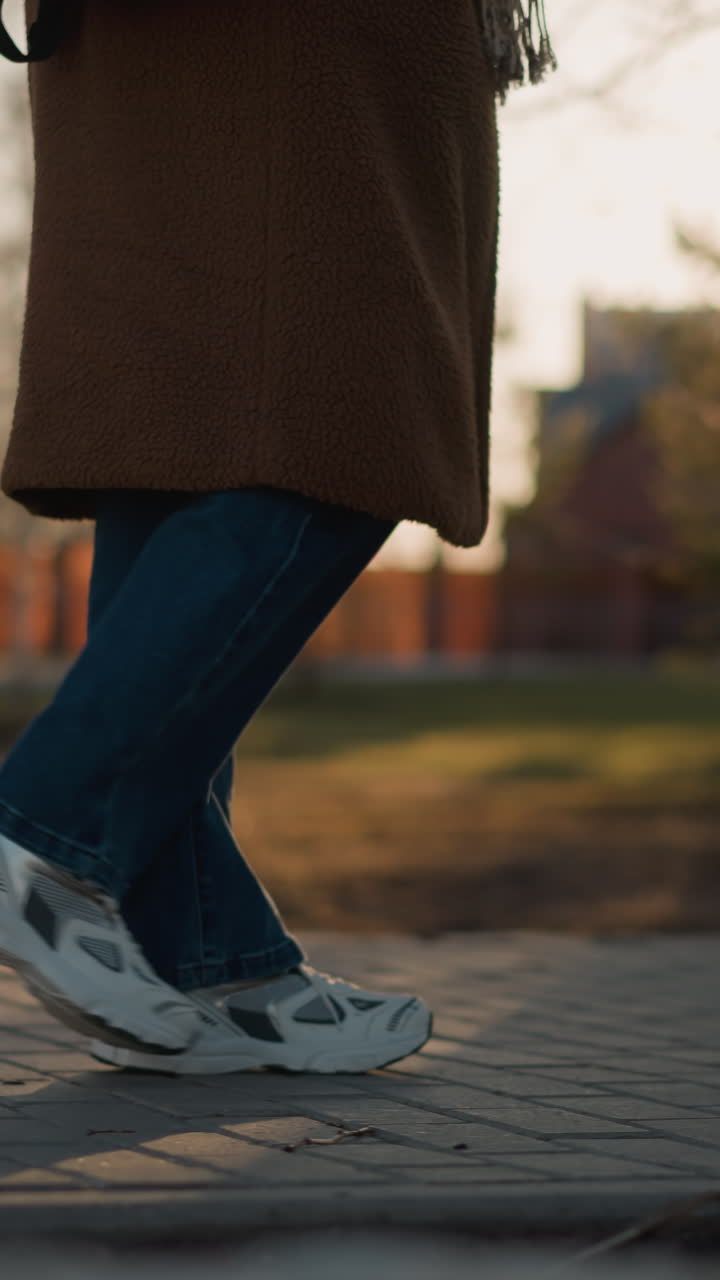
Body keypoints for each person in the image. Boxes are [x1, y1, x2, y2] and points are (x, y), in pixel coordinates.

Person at [0, 1, 556, 1075]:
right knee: (346, 426)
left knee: (177, 447)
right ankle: (44, 831)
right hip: (290, 46)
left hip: (185, 57)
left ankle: (205, 960)